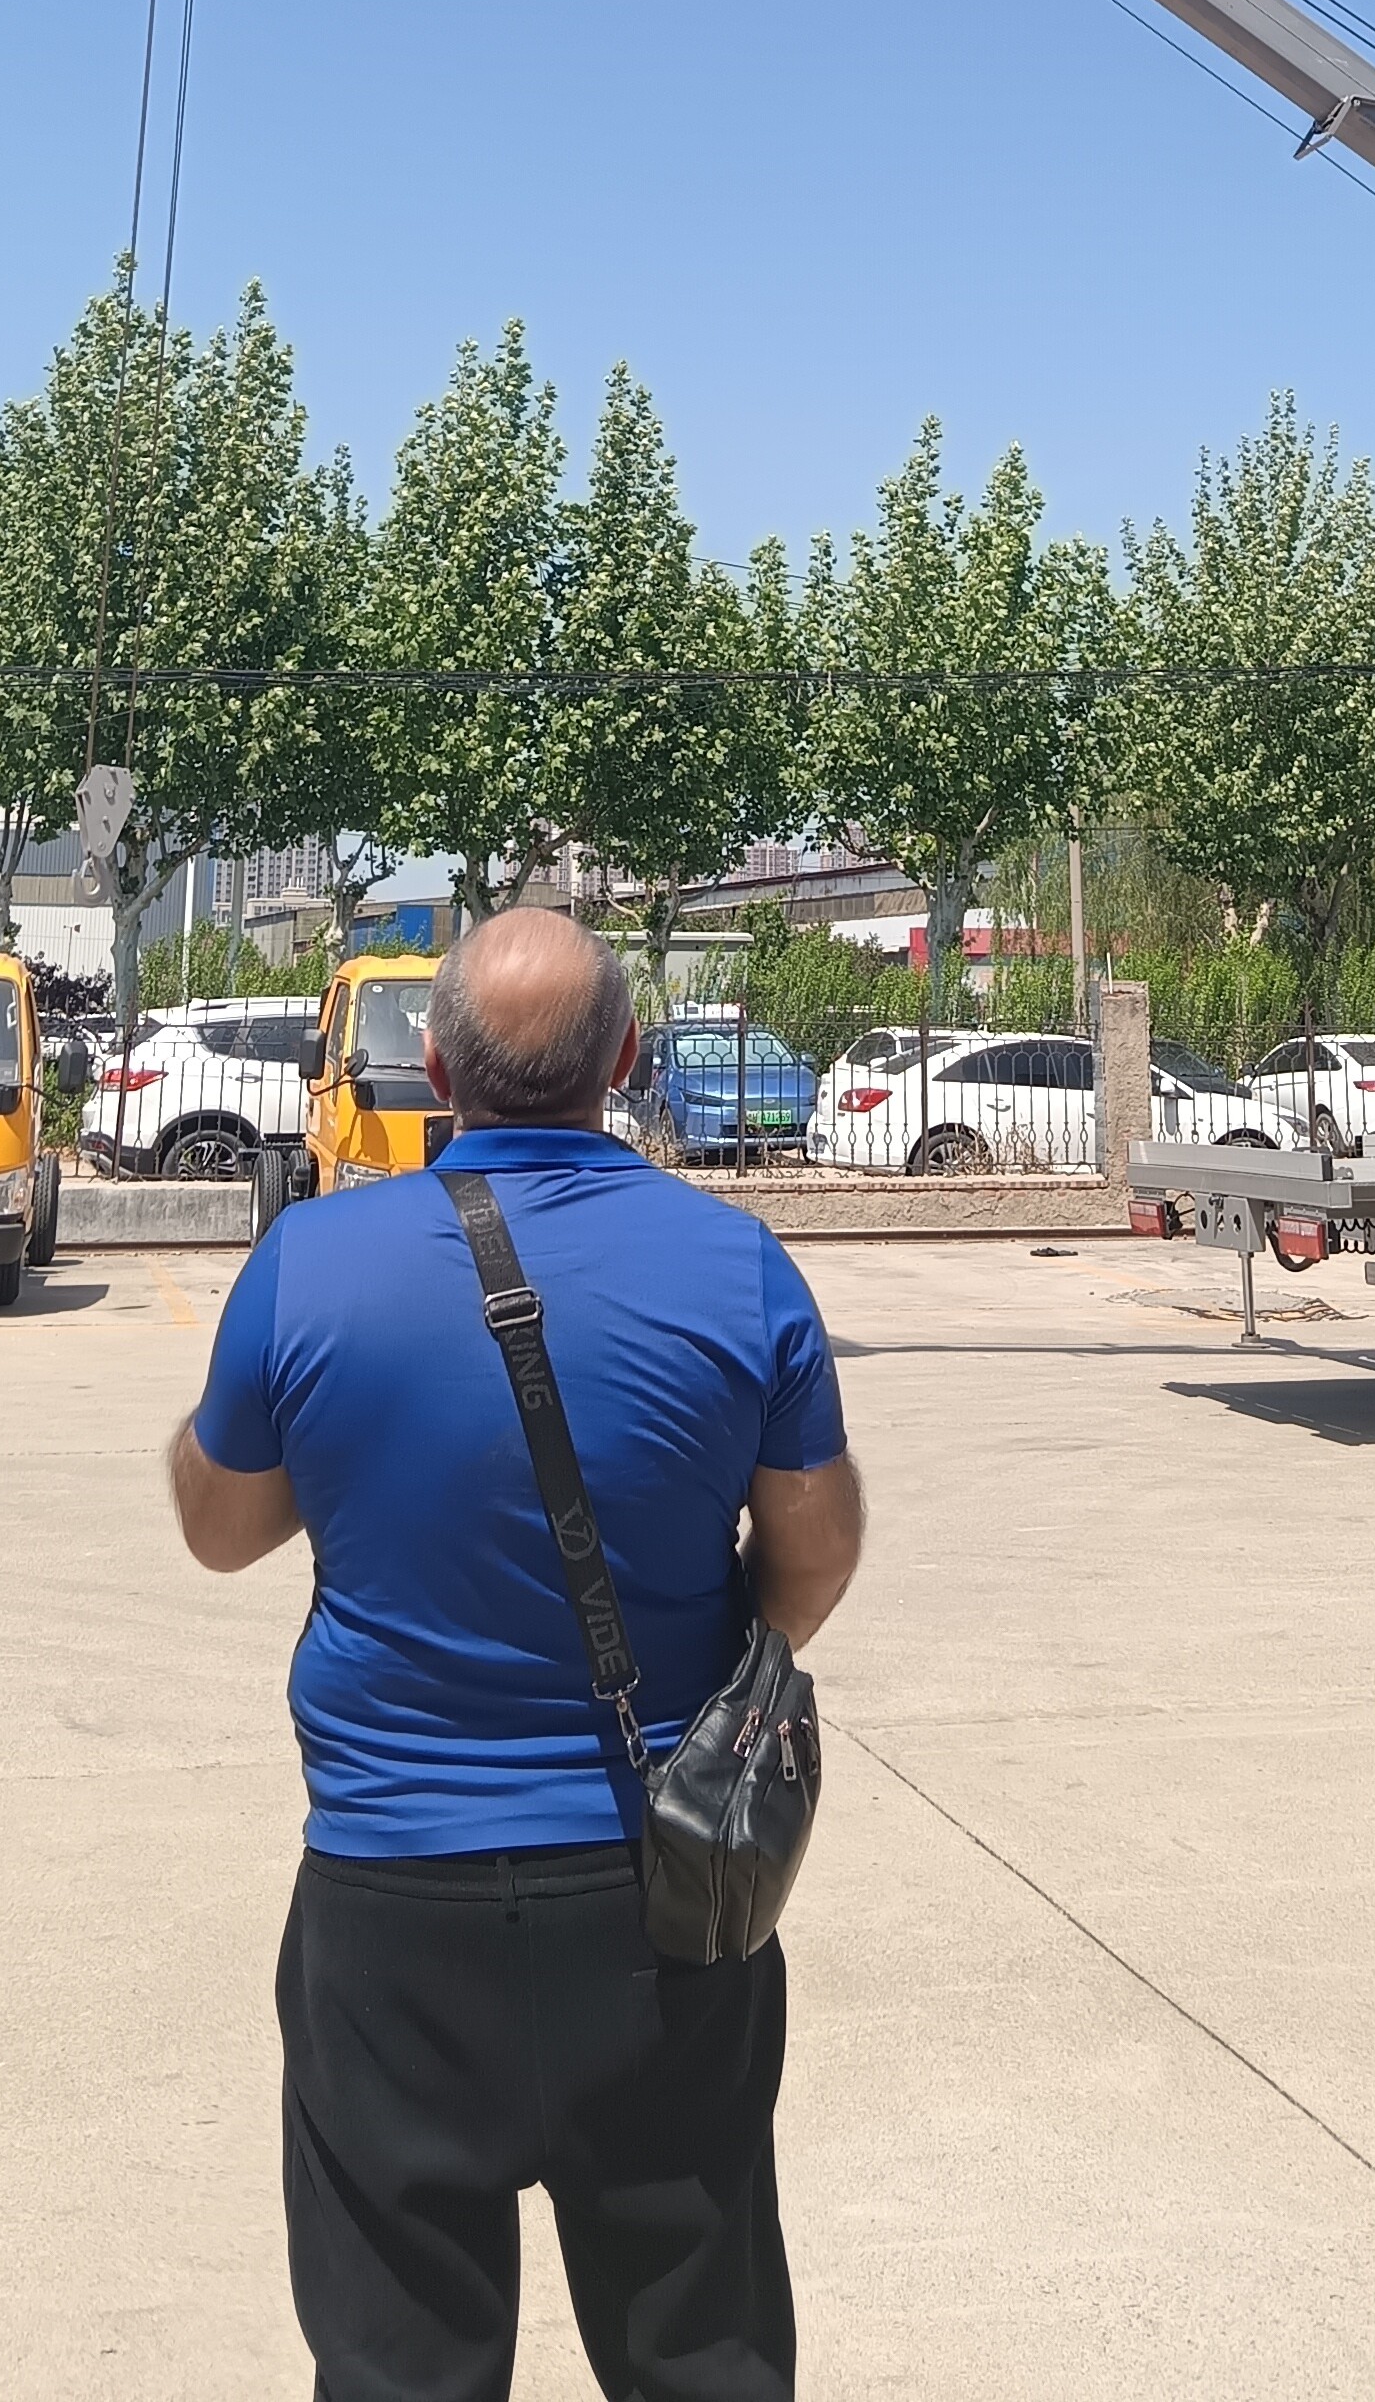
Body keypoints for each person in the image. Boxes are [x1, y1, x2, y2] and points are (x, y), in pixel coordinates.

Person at [171, 906, 865, 2402]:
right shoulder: (738, 1270)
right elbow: (812, 1564)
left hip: (390, 1899)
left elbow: (220, 1530)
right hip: (664, 1897)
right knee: (704, 2344)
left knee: (398, 2354)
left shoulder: (311, 1266)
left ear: (431, 1065)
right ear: (625, 1056)